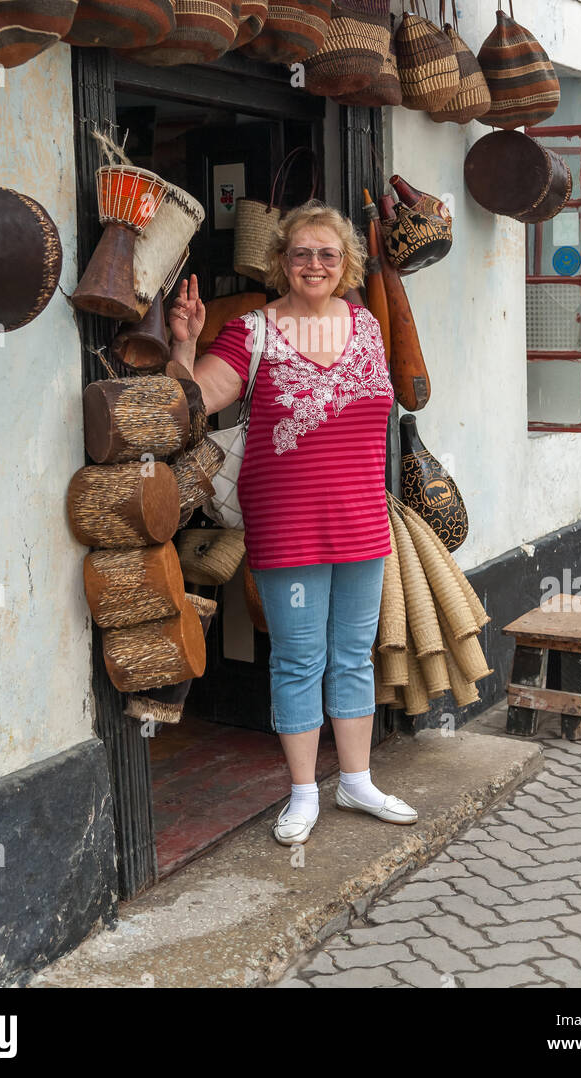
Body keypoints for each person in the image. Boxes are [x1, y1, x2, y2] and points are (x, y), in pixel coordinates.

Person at [168, 199, 418, 846]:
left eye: (327, 254)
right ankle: (303, 792)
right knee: (300, 657)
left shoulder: (364, 325)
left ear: (345, 264)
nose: (314, 264)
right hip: (286, 522)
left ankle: (357, 780)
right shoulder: (254, 331)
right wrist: (186, 343)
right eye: (302, 253)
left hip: (362, 519)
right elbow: (191, 402)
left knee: (352, 655)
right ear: (281, 261)